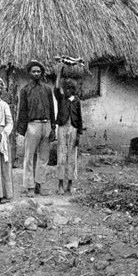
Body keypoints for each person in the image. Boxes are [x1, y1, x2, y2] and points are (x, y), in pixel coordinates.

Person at [16, 60, 56, 197]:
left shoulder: (47, 90)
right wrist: (22, 129)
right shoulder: (25, 90)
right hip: (32, 125)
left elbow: (52, 109)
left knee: (44, 157)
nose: (36, 73)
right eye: (33, 71)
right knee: (29, 156)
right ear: (29, 73)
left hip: (47, 124)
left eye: (38, 71)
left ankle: (40, 184)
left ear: (42, 73)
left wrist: (53, 128)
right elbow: (22, 111)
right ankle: (29, 186)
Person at [54, 63, 83, 195]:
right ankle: (60, 184)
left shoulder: (76, 101)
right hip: (62, 128)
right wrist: (59, 73)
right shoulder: (61, 99)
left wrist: (79, 134)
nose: (67, 91)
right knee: (61, 156)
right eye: (65, 88)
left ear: (73, 90)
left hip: (73, 129)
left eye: (70, 89)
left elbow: (80, 118)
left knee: (72, 157)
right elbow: (56, 89)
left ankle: (70, 183)